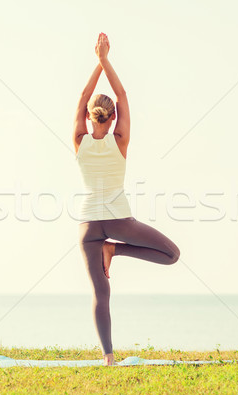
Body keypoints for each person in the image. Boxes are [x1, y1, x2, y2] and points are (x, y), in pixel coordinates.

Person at [72, 33, 181, 366]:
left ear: (90, 117)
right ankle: (115, 249)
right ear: (112, 117)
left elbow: (83, 96)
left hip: (89, 223)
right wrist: (105, 59)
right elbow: (121, 94)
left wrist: (97, 60)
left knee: (100, 294)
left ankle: (108, 357)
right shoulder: (120, 138)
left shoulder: (79, 139)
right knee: (172, 255)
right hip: (118, 218)